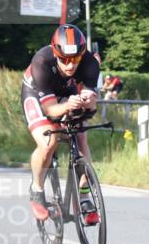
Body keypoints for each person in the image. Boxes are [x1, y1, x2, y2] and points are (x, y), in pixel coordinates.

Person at [21, 24, 100, 226]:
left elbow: (91, 102)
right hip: (37, 92)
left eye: (75, 59)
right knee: (49, 141)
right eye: (64, 59)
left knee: (81, 136)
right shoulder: (41, 61)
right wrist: (66, 106)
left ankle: (84, 196)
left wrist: (89, 101)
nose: (70, 65)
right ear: (56, 53)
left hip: (66, 90)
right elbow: (50, 110)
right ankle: (37, 190)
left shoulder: (90, 63)